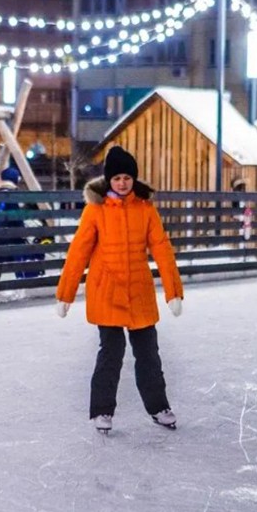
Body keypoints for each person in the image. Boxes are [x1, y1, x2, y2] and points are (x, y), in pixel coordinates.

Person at [55, 145, 183, 433]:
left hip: (138, 291)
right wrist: (65, 293)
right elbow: (78, 252)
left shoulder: (146, 209)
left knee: (149, 353)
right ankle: (102, 411)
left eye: (127, 177)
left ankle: (159, 406)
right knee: (111, 352)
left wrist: (173, 290)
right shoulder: (95, 210)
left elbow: (162, 248)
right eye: (117, 178)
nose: (122, 183)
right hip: (107, 291)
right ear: (108, 180)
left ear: (133, 179)